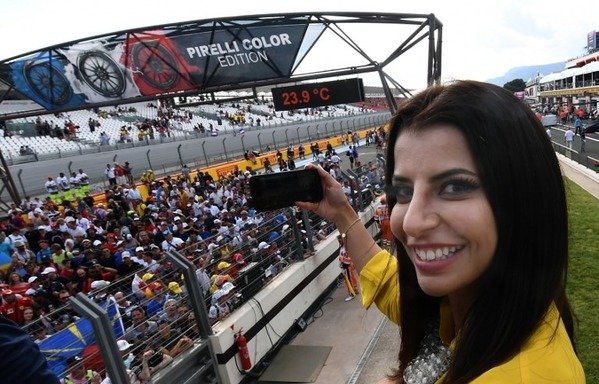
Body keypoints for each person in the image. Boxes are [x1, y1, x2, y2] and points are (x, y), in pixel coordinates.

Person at [297, 80, 584, 383]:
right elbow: (396, 291)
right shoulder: (475, 301)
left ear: (524, 199)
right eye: (404, 191)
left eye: (455, 186)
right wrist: (342, 213)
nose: (411, 223)